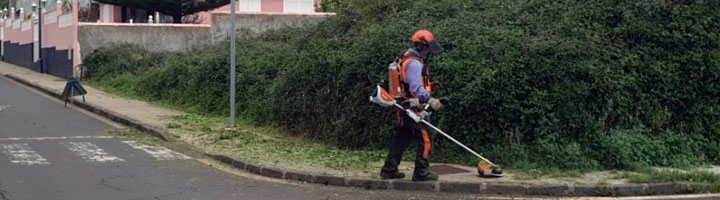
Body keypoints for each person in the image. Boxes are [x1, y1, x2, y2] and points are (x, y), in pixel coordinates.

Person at [380, 30, 445, 182]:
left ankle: (389, 170)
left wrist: (430, 85)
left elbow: (408, 83)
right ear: (422, 47)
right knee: (426, 138)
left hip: (404, 105)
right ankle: (421, 173)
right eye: (428, 48)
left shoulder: (405, 57)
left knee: (402, 138)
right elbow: (416, 88)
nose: (430, 52)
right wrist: (430, 99)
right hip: (413, 107)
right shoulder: (415, 63)